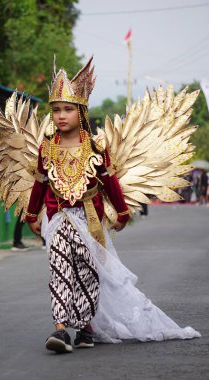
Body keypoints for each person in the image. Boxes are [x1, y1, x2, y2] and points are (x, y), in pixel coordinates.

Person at [24, 58, 200, 354]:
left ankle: (83, 328)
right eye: (56, 110)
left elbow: (111, 184)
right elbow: (40, 184)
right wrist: (31, 214)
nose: (61, 115)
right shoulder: (46, 148)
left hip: (90, 222)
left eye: (68, 109)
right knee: (60, 271)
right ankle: (60, 330)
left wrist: (122, 212)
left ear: (80, 112)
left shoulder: (95, 147)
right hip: (57, 220)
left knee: (88, 273)